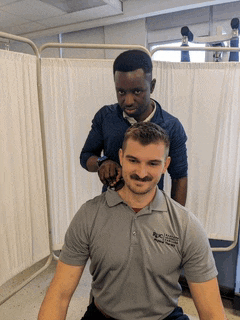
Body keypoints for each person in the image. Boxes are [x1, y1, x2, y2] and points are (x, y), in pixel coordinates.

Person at [39, 122, 227, 320]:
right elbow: (59, 295)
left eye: (153, 163)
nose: (141, 172)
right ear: (121, 157)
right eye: (133, 160)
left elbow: (212, 312)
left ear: (165, 165)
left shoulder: (186, 225)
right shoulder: (89, 215)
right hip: (103, 316)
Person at [80, 49, 188, 206]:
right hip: (111, 208)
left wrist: (176, 222)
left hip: (151, 210)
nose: (128, 101)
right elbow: (86, 156)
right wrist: (102, 162)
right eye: (121, 92)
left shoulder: (172, 126)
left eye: (137, 91)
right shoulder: (105, 117)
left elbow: (179, 177)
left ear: (152, 86)